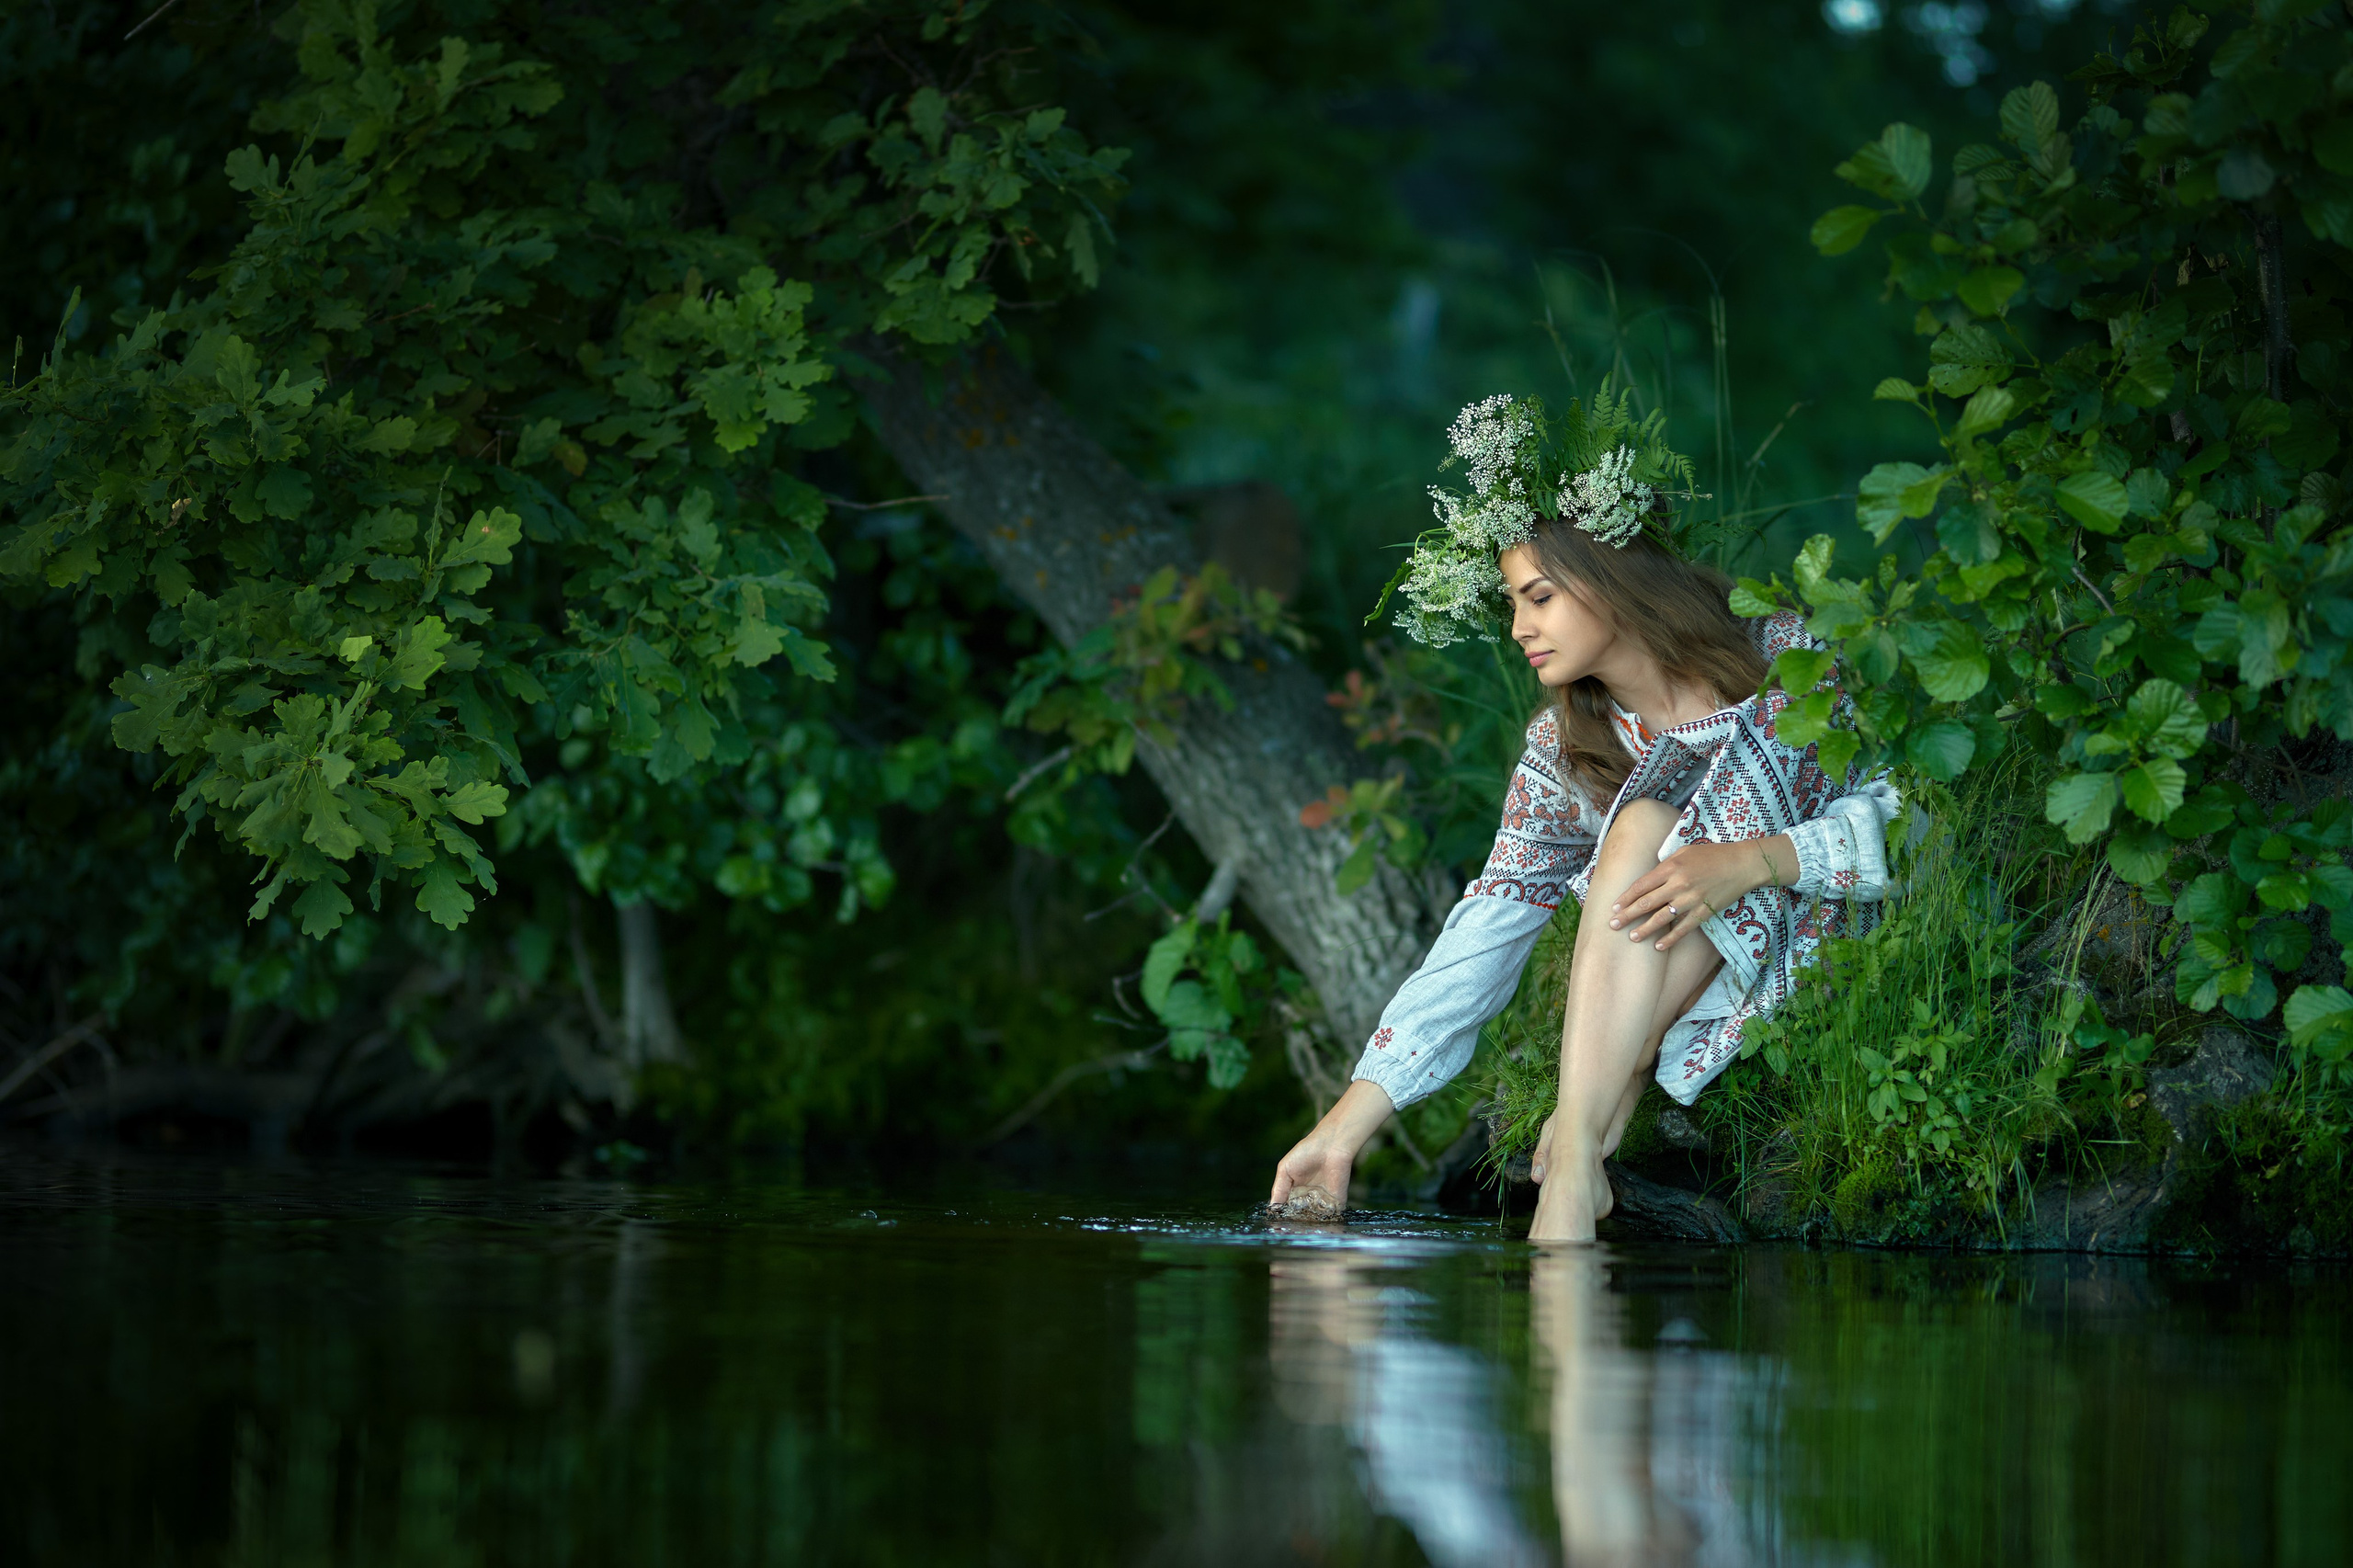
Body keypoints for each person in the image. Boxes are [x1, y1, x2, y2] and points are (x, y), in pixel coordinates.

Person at [1267, 391, 1900, 1241]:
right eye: (1512, 604)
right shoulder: (1565, 748)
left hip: (1823, 928)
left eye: (1538, 598)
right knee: (1640, 827)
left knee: (1653, 831)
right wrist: (1344, 1128)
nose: (1519, 629)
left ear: (1610, 580)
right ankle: (1577, 1165)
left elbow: (1902, 817)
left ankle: (1582, 1136)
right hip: (1670, 972)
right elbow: (1491, 923)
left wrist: (1751, 861)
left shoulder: (1782, 658)